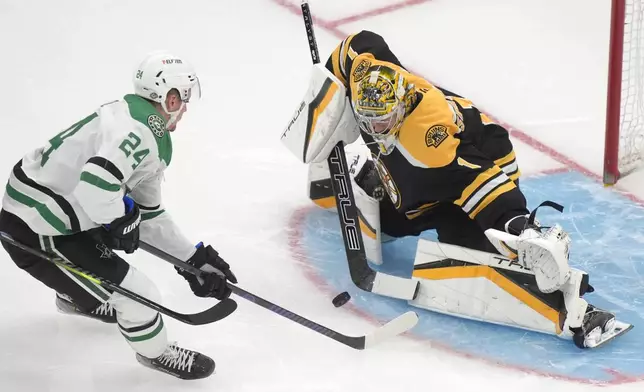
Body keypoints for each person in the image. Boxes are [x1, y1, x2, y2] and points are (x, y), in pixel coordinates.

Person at [286, 30, 627, 348]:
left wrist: (521, 227)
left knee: (475, 261)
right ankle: (386, 188)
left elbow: (481, 182)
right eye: (368, 120)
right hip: (424, 175)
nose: (375, 129)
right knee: (389, 221)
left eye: (382, 122)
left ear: (402, 104)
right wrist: (326, 93)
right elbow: (357, 43)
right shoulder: (369, 70)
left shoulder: (429, 143)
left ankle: (576, 314)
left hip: (477, 172)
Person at [0, 51, 237, 379]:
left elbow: (148, 214)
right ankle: (156, 353)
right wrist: (120, 220)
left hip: (49, 213)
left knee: (120, 226)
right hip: (37, 227)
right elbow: (96, 185)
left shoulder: (130, 116)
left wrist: (193, 259)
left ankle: (78, 297)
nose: (184, 108)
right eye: (182, 99)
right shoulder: (141, 130)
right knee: (141, 297)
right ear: (169, 98)